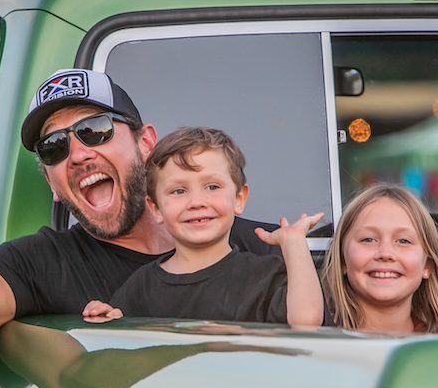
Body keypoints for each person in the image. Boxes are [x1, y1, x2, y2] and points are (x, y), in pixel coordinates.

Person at [0, 68, 274, 345]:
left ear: (146, 143)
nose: (77, 155)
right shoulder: (42, 264)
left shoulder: (260, 247)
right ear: (52, 184)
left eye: (94, 130)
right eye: (54, 146)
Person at [82, 127, 323, 326]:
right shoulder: (141, 286)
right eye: (179, 191)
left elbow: (306, 322)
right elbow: (125, 347)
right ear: (155, 209)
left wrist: (294, 244)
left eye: (212, 187)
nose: (196, 202)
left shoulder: (266, 275)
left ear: (239, 198)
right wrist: (108, 318)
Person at [324, 184, 438, 337]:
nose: (385, 253)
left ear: (427, 265)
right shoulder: (322, 342)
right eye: (368, 239)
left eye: (403, 241)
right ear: (342, 260)